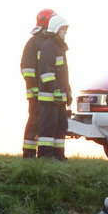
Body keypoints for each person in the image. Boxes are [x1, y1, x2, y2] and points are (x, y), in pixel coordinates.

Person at [20, 8, 55, 158]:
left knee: (45, 121)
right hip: (36, 90)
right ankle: (28, 152)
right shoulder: (34, 42)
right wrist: (33, 87)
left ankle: (44, 153)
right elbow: (27, 68)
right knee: (34, 119)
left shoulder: (49, 41)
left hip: (47, 89)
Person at [36, 15, 71, 160]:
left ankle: (58, 155)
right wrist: (55, 89)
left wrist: (68, 92)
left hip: (59, 97)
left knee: (61, 127)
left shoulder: (59, 47)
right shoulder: (48, 46)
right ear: (56, 30)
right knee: (48, 128)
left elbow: (63, 74)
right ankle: (45, 156)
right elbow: (46, 72)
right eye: (63, 29)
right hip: (49, 96)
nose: (65, 32)